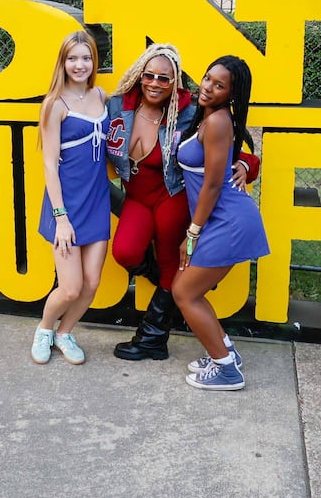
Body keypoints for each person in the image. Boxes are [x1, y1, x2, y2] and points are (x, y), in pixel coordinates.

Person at [104, 44, 256, 361]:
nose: (156, 83)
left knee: (176, 266)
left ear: (175, 83)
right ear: (139, 75)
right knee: (126, 251)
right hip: (137, 196)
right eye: (149, 75)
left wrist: (246, 165)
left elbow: (230, 146)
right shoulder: (119, 106)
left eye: (165, 78)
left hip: (171, 195)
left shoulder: (187, 110)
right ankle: (168, 280)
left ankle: (152, 339)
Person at [173, 55, 270, 391]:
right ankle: (225, 351)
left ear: (231, 93)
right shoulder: (210, 118)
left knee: (184, 292)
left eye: (219, 84)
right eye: (207, 78)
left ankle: (227, 370)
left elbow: (213, 183)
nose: (208, 87)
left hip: (227, 220)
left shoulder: (217, 121)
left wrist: (192, 233)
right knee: (189, 290)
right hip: (222, 218)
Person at [31, 30, 109, 366]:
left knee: (91, 284)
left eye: (86, 57)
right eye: (72, 58)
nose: (80, 64)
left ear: (94, 61)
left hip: (97, 203)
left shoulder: (101, 96)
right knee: (71, 288)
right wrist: (61, 218)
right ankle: (45, 330)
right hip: (66, 207)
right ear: (63, 62)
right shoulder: (55, 104)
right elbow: (49, 165)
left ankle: (65, 333)